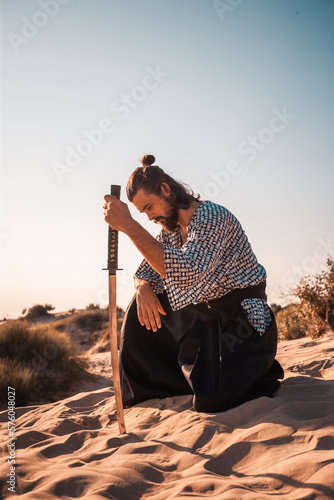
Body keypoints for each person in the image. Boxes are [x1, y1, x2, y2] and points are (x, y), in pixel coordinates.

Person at [103, 154, 284, 413]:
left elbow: (187, 272)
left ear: (166, 189)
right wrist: (142, 286)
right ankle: (164, 384)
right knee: (140, 307)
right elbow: (146, 270)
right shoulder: (172, 230)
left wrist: (129, 226)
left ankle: (254, 373)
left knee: (213, 401)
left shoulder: (211, 216)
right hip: (207, 321)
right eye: (142, 213)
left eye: (148, 207)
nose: (149, 216)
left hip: (243, 321)